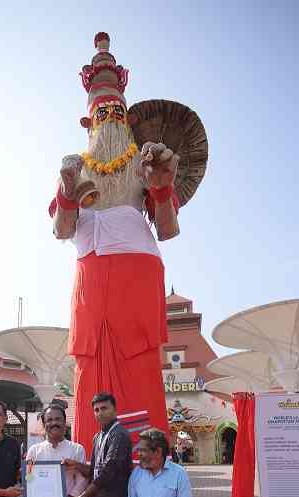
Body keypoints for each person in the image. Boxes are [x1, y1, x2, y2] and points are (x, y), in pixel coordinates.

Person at [50, 33, 208, 457]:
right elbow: (62, 230)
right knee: (89, 362)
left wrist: (161, 187)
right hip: (91, 271)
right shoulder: (76, 165)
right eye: (102, 112)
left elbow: (168, 228)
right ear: (89, 121)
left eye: (115, 111)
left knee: (139, 361)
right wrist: (67, 191)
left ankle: (148, 460)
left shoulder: (145, 162)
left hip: (136, 267)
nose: (109, 119)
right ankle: (89, 460)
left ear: (126, 114)